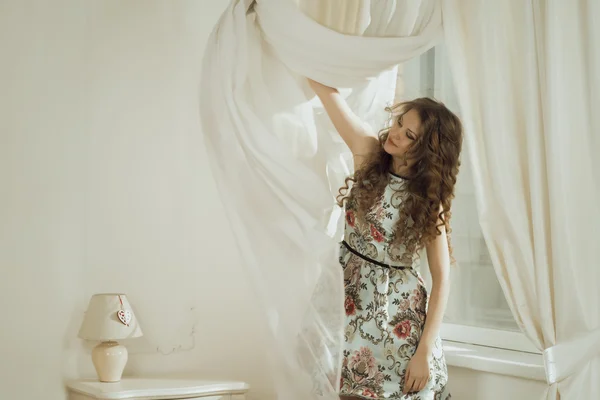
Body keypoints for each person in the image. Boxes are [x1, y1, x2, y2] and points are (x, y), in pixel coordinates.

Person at [308, 78, 462, 400]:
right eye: (399, 122)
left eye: (410, 136)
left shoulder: (430, 201)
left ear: (427, 152)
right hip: (344, 300)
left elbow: (442, 278)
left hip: (396, 321)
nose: (395, 134)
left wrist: (424, 351)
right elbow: (329, 91)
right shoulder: (367, 152)